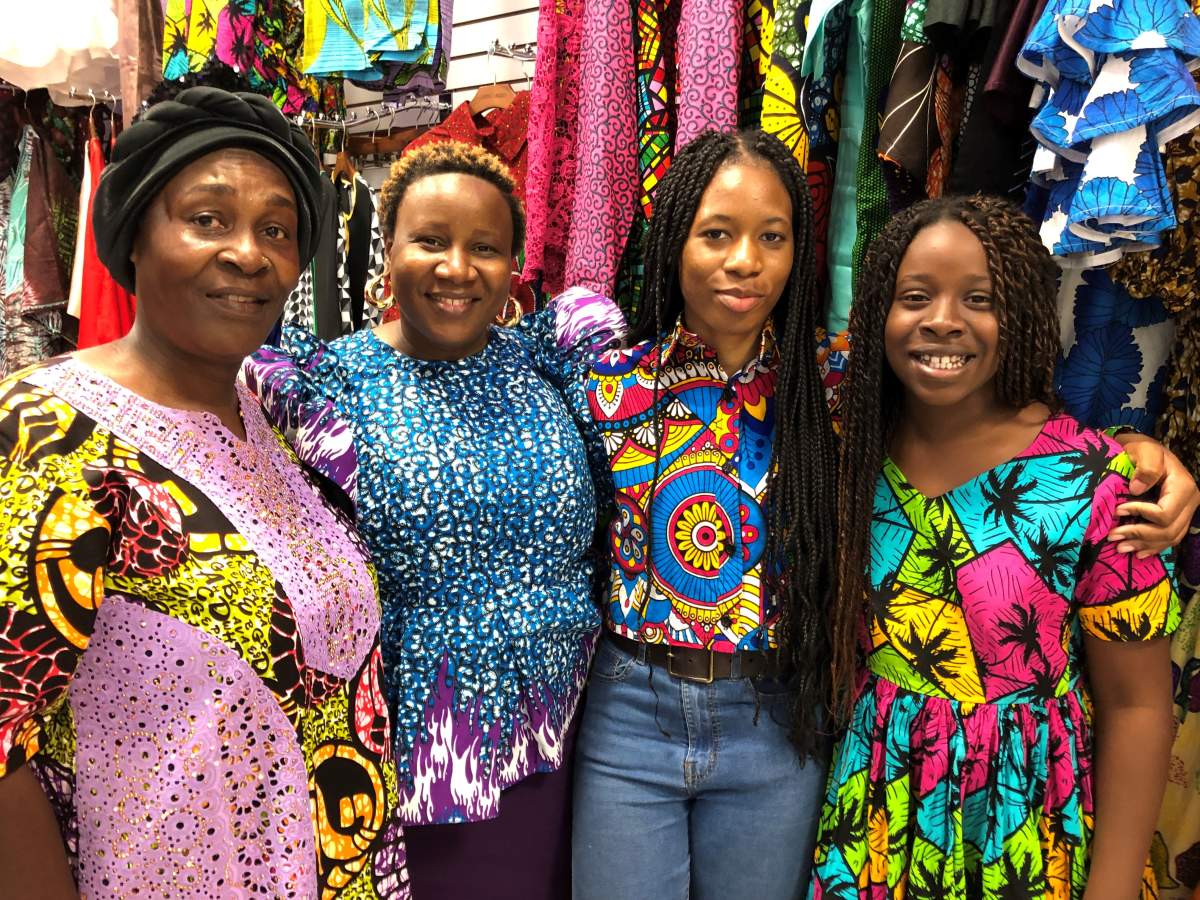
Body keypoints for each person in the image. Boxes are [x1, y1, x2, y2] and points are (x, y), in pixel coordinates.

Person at [570, 130, 1198, 900]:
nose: (744, 260)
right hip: (696, 732)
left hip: (818, 735)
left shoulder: (830, 393)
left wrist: (1140, 452)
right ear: (673, 239)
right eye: (716, 234)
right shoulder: (605, 388)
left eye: (773, 237)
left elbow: (985, 420)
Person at [0, 88, 405, 898]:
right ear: (135, 237)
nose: (249, 254)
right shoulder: (44, 432)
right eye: (208, 219)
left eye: (278, 230)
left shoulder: (270, 417)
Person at [244, 140, 622, 899]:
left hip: (572, 739)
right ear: (388, 254)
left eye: (484, 247)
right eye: (430, 241)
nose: (457, 268)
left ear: (515, 265)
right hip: (424, 759)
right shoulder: (329, 387)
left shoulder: (545, 364)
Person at [811, 196, 1178, 898]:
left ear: (1020, 313)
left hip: (1025, 824)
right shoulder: (844, 443)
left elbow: (1137, 705)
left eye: (978, 298)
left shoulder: (1094, 482)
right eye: (915, 296)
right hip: (873, 821)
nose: (943, 320)